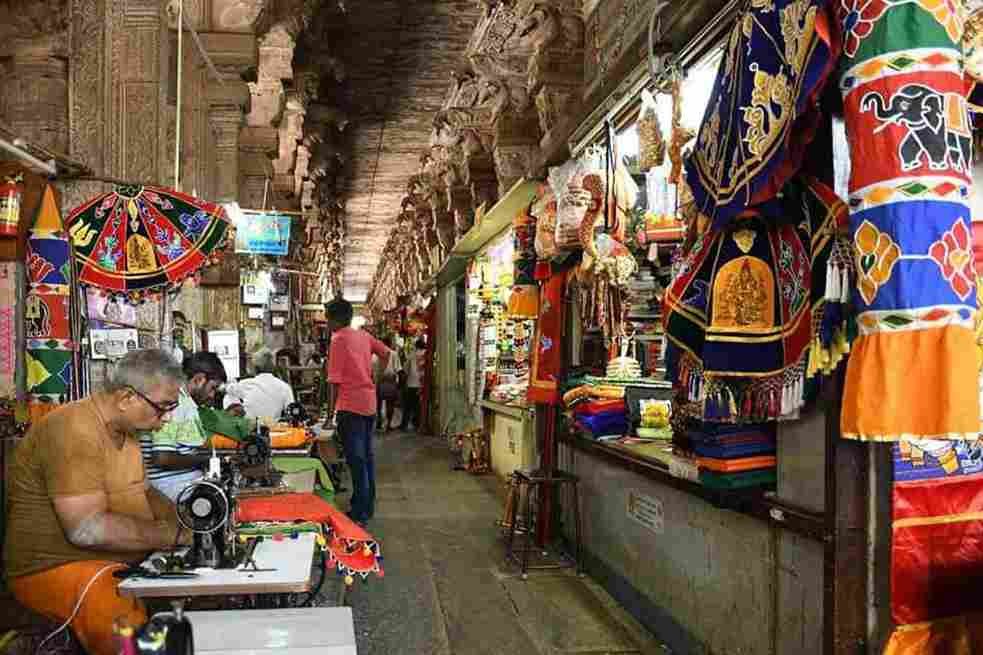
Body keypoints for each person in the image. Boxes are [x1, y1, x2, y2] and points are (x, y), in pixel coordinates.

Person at [4, 349, 193, 655]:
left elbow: (145, 493)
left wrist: (187, 523)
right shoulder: (74, 431)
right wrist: (171, 535)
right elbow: (86, 529)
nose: (167, 417)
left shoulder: (127, 432)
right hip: (52, 569)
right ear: (126, 398)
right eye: (162, 407)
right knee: (124, 624)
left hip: (109, 561)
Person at [326, 298, 390, 524]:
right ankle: (365, 502)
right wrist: (375, 378)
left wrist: (328, 416)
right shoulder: (364, 336)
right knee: (367, 457)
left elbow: (333, 382)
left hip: (350, 406)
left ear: (334, 319)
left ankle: (361, 511)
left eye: (328, 318)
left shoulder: (338, 340)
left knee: (356, 459)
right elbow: (386, 354)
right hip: (369, 403)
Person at [138, 351, 228, 501]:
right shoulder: (175, 402)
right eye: (212, 388)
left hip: (182, 486)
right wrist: (207, 460)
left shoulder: (185, 401)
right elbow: (162, 458)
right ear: (199, 380)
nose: (212, 395)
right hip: (173, 491)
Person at [223, 348, 295, 422]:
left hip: (250, 428)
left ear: (255, 368)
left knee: (228, 395)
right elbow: (292, 410)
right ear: (274, 367)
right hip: (274, 428)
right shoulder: (284, 387)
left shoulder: (247, 384)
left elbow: (226, 389)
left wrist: (232, 382)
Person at [374, 336, 401, 432]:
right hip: (390, 382)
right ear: (390, 343)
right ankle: (388, 424)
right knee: (390, 404)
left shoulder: (375, 355)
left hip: (378, 382)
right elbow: (398, 370)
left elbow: (372, 370)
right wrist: (399, 384)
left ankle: (379, 422)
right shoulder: (394, 354)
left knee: (378, 405)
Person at [399, 337, 427, 432]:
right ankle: (418, 424)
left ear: (416, 346)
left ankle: (404, 424)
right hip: (423, 384)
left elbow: (405, 369)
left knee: (408, 406)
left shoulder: (412, 355)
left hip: (411, 383)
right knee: (418, 406)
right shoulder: (427, 354)